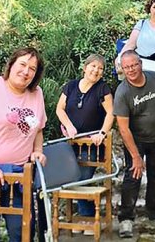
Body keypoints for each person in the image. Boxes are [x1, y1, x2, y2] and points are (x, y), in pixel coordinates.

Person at [0, 47, 48, 242]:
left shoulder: (36, 93)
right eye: (22, 64)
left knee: (22, 231)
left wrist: (38, 150)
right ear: (11, 64)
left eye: (32, 68)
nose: (26, 71)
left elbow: (38, 128)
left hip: (18, 177)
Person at [113, 51, 155, 238]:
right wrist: (136, 157)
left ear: (141, 64)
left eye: (134, 65)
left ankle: (154, 215)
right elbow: (123, 129)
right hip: (135, 140)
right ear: (122, 70)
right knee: (133, 177)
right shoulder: (122, 92)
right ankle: (126, 219)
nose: (131, 70)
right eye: (126, 67)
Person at [54, 54, 114, 224]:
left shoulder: (103, 89)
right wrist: (69, 126)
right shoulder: (71, 86)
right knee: (70, 177)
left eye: (100, 68)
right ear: (85, 67)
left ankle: (85, 218)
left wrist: (102, 133)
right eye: (93, 66)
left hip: (92, 144)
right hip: (71, 141)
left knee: (83, 178)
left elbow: (111, 113)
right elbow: (60, 109)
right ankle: (80, 218)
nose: (96, 70)